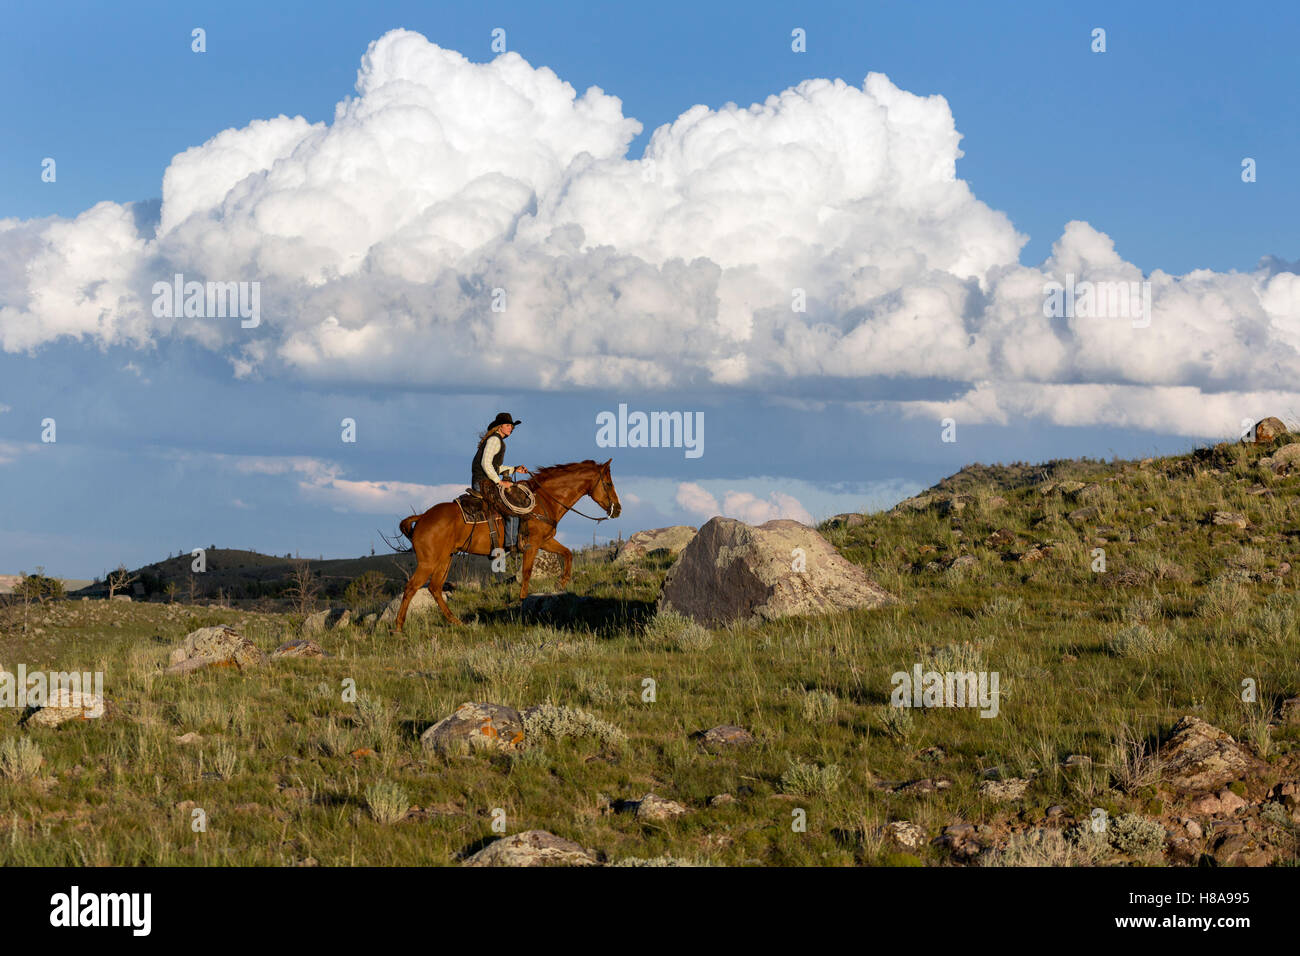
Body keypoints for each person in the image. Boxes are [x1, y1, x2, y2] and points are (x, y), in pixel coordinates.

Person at [471, 412, 530, 549]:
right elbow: (486, 464)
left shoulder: (496, 440)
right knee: (512, 507)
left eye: (511, 426)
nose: (510, 428)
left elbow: (495, 467)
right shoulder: (494, 440)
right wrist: (500, 482)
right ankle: (511, 544)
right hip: (483, 483)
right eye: (508, 425)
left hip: (483, 481)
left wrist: (514, 469)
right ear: (499, 427)